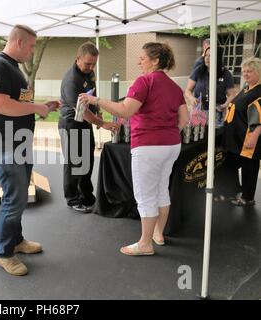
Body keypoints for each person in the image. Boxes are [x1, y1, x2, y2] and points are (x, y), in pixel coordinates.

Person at [80, 42, 189, 256]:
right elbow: (184, 119)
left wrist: (96, 100)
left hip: (148, 146)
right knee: (160, 190)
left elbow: (125, 110)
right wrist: (168, 132)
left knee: (145, 195)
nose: (139, 61)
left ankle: (145, 243)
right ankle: (158, 234)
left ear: (155, 60)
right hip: (171, 144)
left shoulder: (144, 81)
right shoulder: (175, 87)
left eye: (142, 57)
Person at [0, 24, 59, 276]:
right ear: (18, 42)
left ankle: (16, 240)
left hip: (18, 143)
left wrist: (41, 107)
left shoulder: (13, 69)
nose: (33, 51)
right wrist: (36, 108)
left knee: (20, 196)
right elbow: (1, 105)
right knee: (14, 199)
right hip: (4, 145)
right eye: (32, 45)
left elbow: (18, 104)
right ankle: (3, 253)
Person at [58, 42, 117, 213]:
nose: (91, 67)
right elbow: (82, 111)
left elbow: (93, 94)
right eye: (87, 63)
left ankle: (86, 195)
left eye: (93, 64)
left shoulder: (89, 73)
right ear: (78, 59)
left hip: (84, 123)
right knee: (73, 162)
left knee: (87, 160)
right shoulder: (71, 80)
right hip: (70, 123)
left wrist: (98, 112)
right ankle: (72, 199)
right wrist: (103, 124)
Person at [222, 57, 261, 206]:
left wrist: (254, 137)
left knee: (249, 168)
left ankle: (247, 198)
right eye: (244, 71)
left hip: (248, 138)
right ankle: (236, 192)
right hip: (237, 136)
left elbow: (259, 119)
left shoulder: (258, 92)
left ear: (258, 72)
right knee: (231, 166)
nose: (245, 74)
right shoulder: (246, 88)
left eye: (249, 71)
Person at [185, 46, 236, 127]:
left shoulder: (225, 73)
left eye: (210, 56)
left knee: (215, 137)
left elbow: (232, 94)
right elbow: (188, 90)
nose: (207, 58)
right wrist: (192, 98)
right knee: (199, 137)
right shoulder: (198, 70)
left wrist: (226, 104)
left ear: (217, 57)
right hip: (199, 111)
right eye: (206, 55)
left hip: (217, 113)